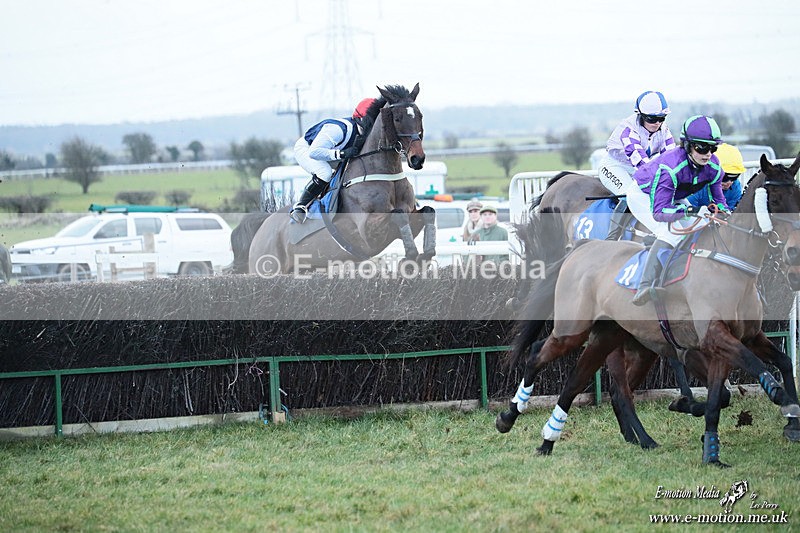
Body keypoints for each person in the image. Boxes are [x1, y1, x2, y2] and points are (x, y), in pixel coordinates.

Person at [627, 115, 730, 306]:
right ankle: (645, 285)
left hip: (672, 195)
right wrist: (690, 210)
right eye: (702, 147)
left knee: (698, 227)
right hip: (642, 194)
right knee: (670, 232)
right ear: (688, 145)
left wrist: (725, 214)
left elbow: (720, 202)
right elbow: (659, 212)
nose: (708, 154)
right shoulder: (671, 168)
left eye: (713, 148)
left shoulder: (714, 168)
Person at [598, 91, 676, 240]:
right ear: (640, 115)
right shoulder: (628, 130)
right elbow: (643, 166)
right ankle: (612, 239)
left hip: (637, 167)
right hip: (615, 166)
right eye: (652, 119)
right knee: (630, 195)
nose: (657, 123)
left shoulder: (664, 130)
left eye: (661, 118)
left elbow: (671, 158)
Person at [289, 97, 376, 223]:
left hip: (330, 152)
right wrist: (341, 153)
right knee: (325, 173)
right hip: (308, 149)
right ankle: (300, 207)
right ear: (360, 119)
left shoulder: (363, 133)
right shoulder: (338, 130)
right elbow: (315, 152)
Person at [686, 143, 745, 211]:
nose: (729, 182)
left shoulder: (735, 186)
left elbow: (732, 212)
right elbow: (688, 211)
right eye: (724, 178)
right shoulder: (697, 184)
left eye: (734, 177)